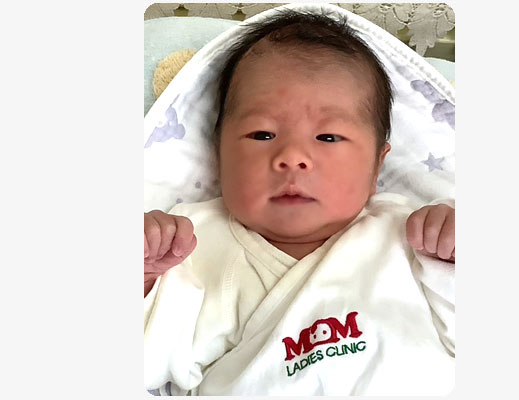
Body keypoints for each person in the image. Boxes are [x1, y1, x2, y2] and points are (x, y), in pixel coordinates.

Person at [144, 9, 455, 396]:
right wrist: (145, 274)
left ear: (377, 167)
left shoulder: (409, 234)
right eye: (262, 134)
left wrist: (452, 254)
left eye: (328, 137)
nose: (292, 157)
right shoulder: (192, 245)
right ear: (219, 157)